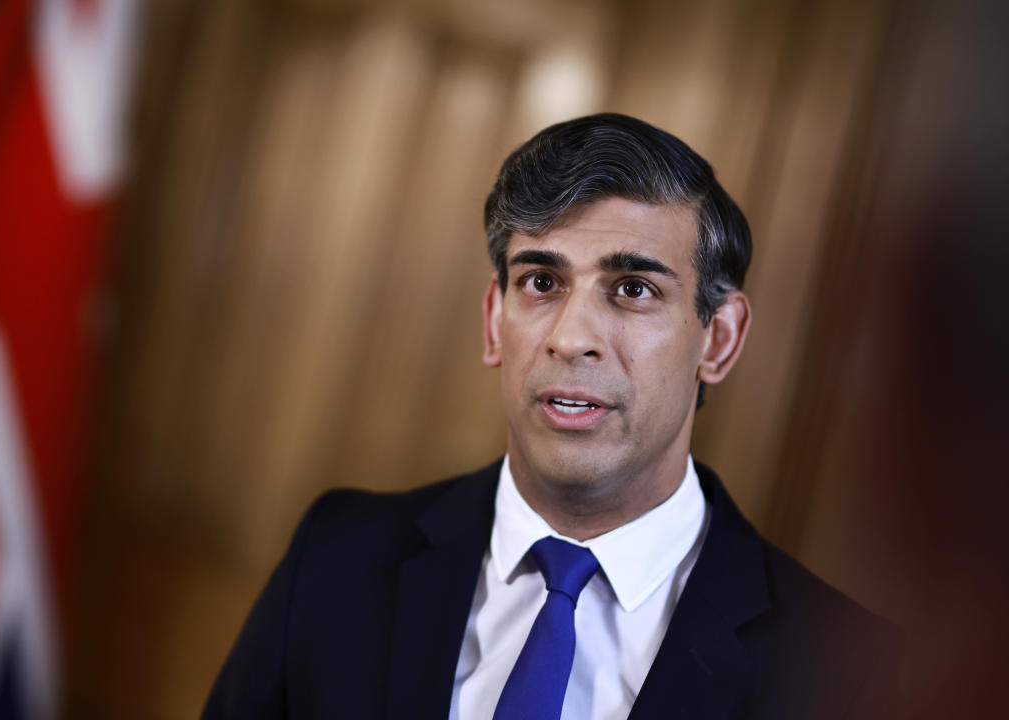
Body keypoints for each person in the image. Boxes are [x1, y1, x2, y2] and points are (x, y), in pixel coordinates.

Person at [202, 113, 900, 719]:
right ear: (493, 322)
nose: (571, 337)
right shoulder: (336, 559)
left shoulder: (851, 673)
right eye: (541, 282)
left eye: (632, 288)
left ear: (718, 339)